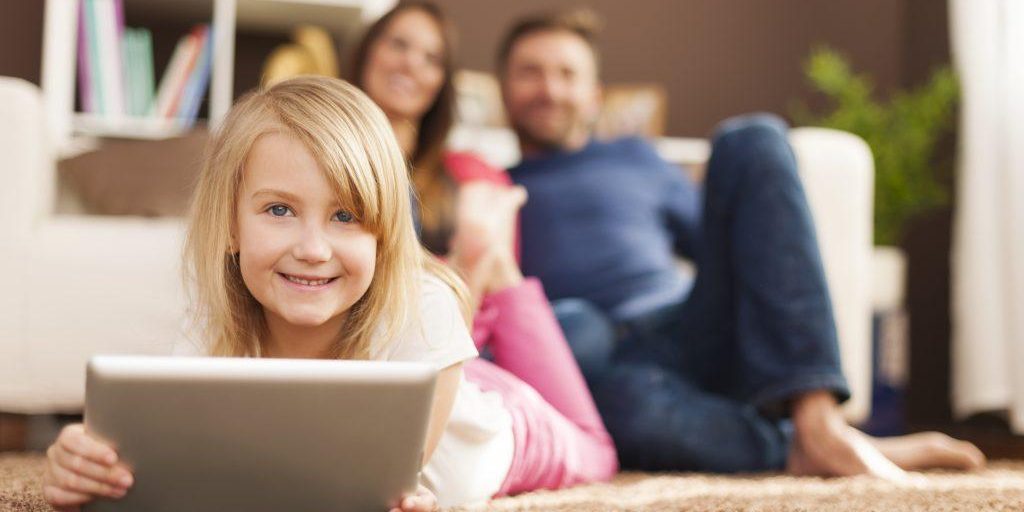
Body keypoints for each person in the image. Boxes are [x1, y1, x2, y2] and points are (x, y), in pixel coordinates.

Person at [39, 75, 610, 512]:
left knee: (599, 451)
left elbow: (347, 489)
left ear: (385, 230)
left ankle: (497, 277)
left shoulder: (423, 311)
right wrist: (89, 465)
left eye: (346, 215)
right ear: (231, 224)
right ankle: (480, 296)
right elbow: (181, 469)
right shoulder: (217, 322)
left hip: (504, 419)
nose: (313, 248)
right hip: (420, 355)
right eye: (280, 210)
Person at [497, 9, 987, 477]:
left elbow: (738, 244)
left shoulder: (637, 159)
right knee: (625, 410)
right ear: (504, 88)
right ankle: (799, 445)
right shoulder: (485, 189)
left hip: (687, 327)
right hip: (595, 366)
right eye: (531, 73)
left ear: (594, 94)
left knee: (751, 138)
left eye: (566, 73)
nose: (549, 88)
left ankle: (819, 418)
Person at [351, 0, 617, 498]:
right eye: (399, 44)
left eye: (431, 58)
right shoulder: (308, 153)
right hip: (393, 339)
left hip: (464, 339)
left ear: (441, 84)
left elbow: (488, 287)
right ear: (367, 51)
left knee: (583, 327)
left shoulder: (469, 179)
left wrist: (468, 258)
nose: (411, 64)